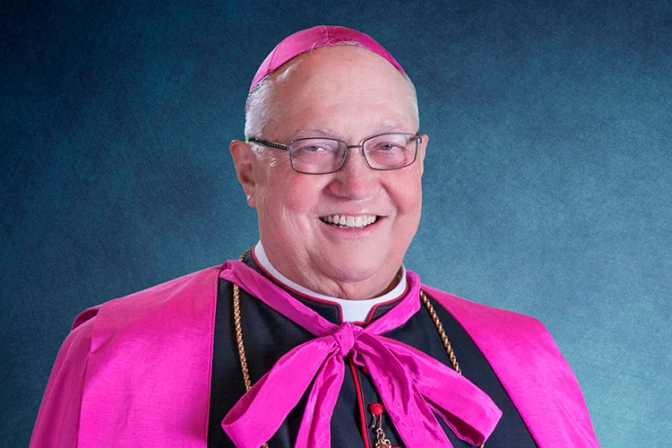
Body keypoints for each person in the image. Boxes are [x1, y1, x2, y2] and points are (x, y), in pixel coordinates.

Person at [30, 25, 600, 448]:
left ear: (420, 161)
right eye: (315, 148)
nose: (357, 185)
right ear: (249, 171)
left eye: (387, 146)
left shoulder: (524, 358)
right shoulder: (118, 352)